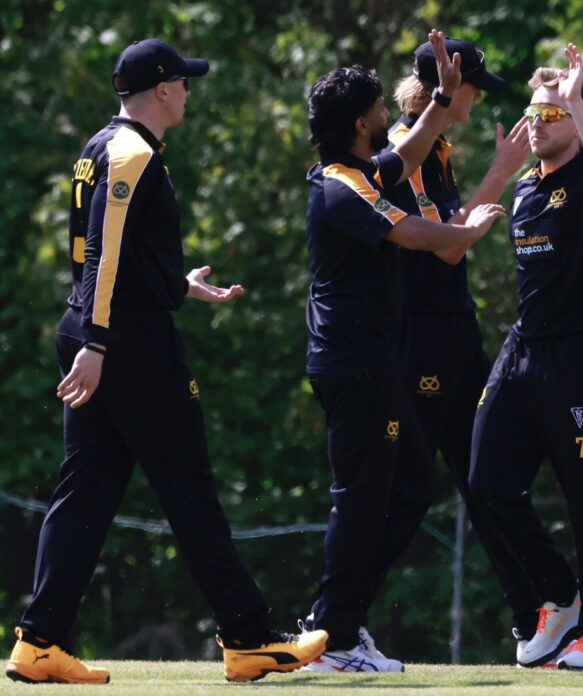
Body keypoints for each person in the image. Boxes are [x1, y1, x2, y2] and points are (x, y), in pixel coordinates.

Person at [4, 39, 327, 685]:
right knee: (190, 488)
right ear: (160, 89)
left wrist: (176, 285)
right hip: (124, 345)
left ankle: (38, 643)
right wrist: (98, 344)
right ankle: (247, 637)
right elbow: (100, 253)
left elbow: (116, 257)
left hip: (106, 331)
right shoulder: (133, 153)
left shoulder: (102, 146)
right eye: (183, 82)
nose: (188, 91)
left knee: (85, 490)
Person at [299, 30, 506, 673]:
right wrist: (463, 229)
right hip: (354, 364)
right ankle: (333, 636)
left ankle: (339, 626)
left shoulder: (361, 168)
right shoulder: (342, 187)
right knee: (360, 497)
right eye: (382, 109)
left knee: (401, 486)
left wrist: (442, 96)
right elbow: (409, 232)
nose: (392, 115)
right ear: (363, 123)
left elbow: (410, 153)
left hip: (371, 362)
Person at [468, 43, 583, 671]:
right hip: (523, 350)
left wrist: (576, 104)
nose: (539, 121)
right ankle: (559, 595)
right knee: (486, 480)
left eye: (553, 114)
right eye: (535, 112)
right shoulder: (527, 191)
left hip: (580, 356)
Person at [379, 36, 538, 643]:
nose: (478, 95)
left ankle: (534, 618)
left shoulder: (437, 149)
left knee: (487, 476)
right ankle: (335, 624)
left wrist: (488, 184)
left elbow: (451, 233)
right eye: (474, 85)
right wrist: (500, 174)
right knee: (408, 489)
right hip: (421, 340)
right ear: (449, 84)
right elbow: (447, 247)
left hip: (452, 332)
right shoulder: (405, 149)